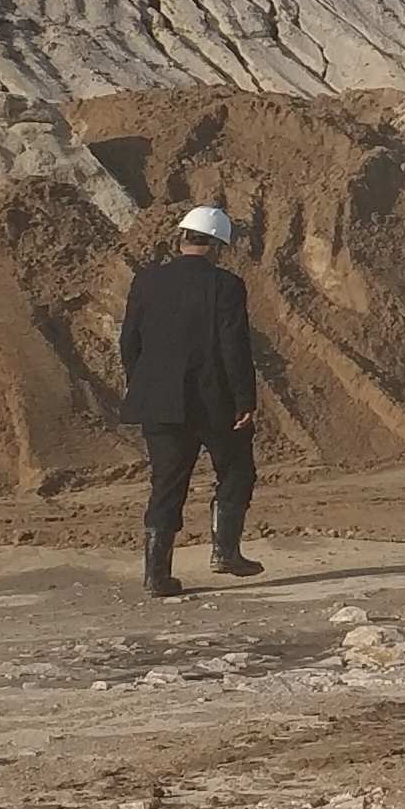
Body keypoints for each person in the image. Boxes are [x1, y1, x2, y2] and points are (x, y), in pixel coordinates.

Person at [121, 204, 262, 596]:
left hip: (160, 403)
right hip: (213, 402)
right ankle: (226, 553)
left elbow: (129, 341)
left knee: (166, 483)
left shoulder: (146, 281)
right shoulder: (226, 285)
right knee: (237, 470)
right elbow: (234, 347)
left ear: (181, 238)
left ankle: (156, 576)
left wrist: (144, 384)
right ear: (217, 246)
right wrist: (244, 400)